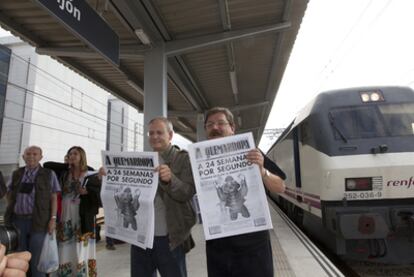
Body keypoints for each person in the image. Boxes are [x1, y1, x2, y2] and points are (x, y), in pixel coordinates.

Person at [203, 107, 286, 277]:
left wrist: (262, 171)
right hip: (218, 247)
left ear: (232, 128)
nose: (215, 128)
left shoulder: (251, 151)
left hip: (253, 247)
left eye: (220, 123)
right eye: (210, 124)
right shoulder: (199, 159)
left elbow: (281, 187)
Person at [130, 117, 196, 277]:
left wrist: (171, 179)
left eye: (159, 132)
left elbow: (187, 192)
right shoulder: (140, 161)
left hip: (169, 239)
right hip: (140, 238)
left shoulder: (183, 158)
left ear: (170, 135)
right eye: (151, 133)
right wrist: (108, 177)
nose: (154, 136)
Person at [4, 145, 60, 277]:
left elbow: (54, 197)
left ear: (41, 157)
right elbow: (9, 192)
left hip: (40, 222)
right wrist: (12, 206)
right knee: (19, 257)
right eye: (28, 154)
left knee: (36, 259)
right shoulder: (17, 173)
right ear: (23, 157)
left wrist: (53, 218)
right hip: (17, 221)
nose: (31, 156)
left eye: (35, 154)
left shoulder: (49, 174)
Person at [55, 146, 101, 276]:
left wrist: (87, 192)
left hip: (83, 215)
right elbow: (47, 164)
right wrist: (67, 165)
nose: (72, 156)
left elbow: (99, 196)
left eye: (75, 153)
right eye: (70, 154)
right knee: (65, 246)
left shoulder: (90, 173)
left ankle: (82, 273)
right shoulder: (64, 173)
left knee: (82, 246)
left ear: (82, 156)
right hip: (66, 215)